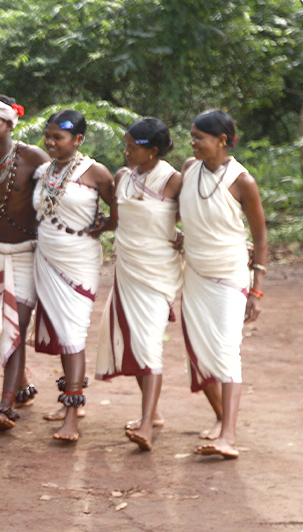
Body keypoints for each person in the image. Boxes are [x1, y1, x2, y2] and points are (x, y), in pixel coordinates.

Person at [180, 109, 267, 459]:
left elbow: (260, 237)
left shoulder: (242, 181)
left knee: (227, 351)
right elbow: (179, 213)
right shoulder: (189, 169)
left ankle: (228, 436)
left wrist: (257, 288)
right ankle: (220, 417)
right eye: (192, 136)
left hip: (230, 275)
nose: (193, 142)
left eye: (199, 137)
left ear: (221, 140)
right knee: (197, 353)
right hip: (195, 273)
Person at [94, 118, 181, 451]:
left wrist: (186, 237)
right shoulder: (122, 178)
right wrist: (93, 227)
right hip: (126, 270)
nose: (126, 151)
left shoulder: (174, 181)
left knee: (148, 343)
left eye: (133, 147)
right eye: (126, 145)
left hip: (157, 273)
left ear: (153, 151)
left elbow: (195, 216)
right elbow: (116, 221)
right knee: (131, 340)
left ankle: (146, 425)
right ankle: (153, 413)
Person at [31, 110, 116, 441]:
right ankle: (70, 400)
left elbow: (120, 208)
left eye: (58, 137)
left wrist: (107, 224)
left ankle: (71, 419)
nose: (50, 142)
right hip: (47, 256)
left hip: (79, 259)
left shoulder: (96, 172)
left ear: (78, 140)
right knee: (62, 334)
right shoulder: (44, 171)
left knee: (73, 334)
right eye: (47, 136)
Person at [0, 88, 50, 431]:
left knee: (15, 327)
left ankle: (5, 404)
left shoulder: (32, 157)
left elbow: (57, 192)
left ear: (8, 123)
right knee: (5, 328)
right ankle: (22, 387)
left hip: (26, 253)